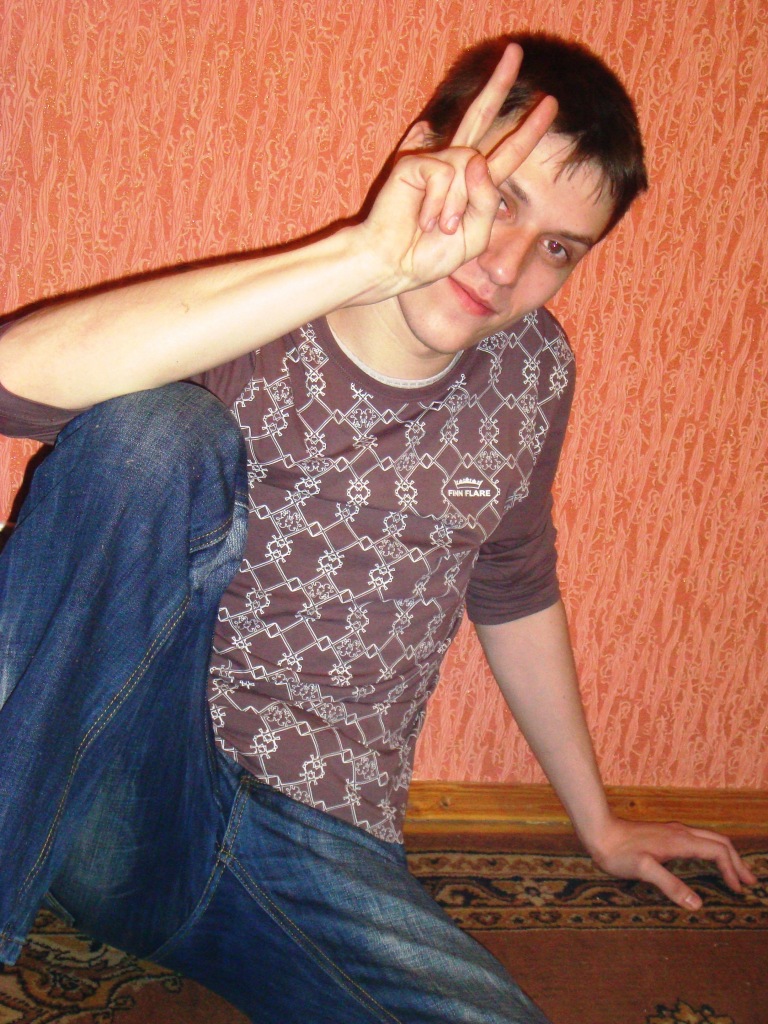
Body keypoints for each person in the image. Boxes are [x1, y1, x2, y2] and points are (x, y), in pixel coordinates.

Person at [0, 32, 755, 1024]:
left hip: (319, 843)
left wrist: (600, 822)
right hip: (123, 789)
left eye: (558, 249)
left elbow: (514, 581)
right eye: (501, 201)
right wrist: (359, 257)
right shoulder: (253, 321)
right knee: (153, 435)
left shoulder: (533, 372)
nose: (508, 265)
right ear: (420, 159)